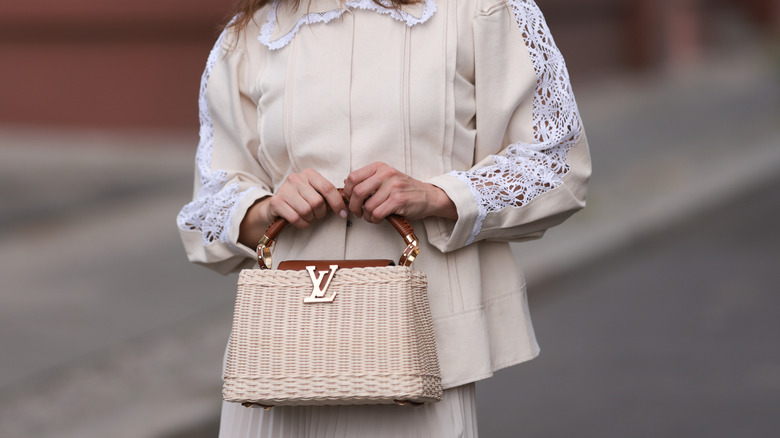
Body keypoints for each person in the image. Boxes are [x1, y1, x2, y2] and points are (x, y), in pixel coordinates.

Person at [177, 0, 591, 435]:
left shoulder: (484, 11)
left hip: (420, 356)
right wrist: (266, 208)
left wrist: (438, 195)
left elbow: (557, 164)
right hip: (283, 357)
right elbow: (208, 204)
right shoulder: (252, 36)